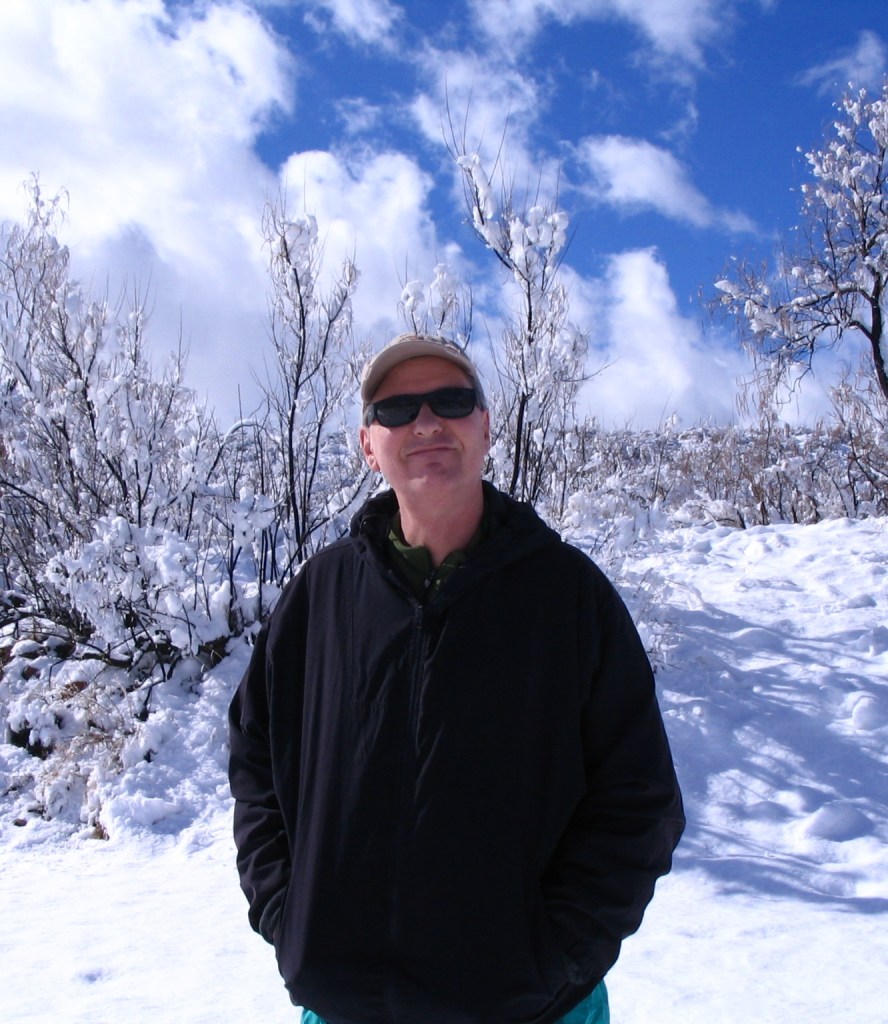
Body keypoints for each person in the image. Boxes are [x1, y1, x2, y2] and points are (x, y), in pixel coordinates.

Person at [228, 332, 685, 1024]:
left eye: (451, 401)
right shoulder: (318, 598)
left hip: (533, 1011)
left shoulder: (569, 597)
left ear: (486, 427)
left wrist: (555, 958)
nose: (426, 423)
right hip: (344, 1008)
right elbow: (256, 762)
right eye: (396, 409)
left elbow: (639, 799)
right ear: (368, 444)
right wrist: (290, 918)